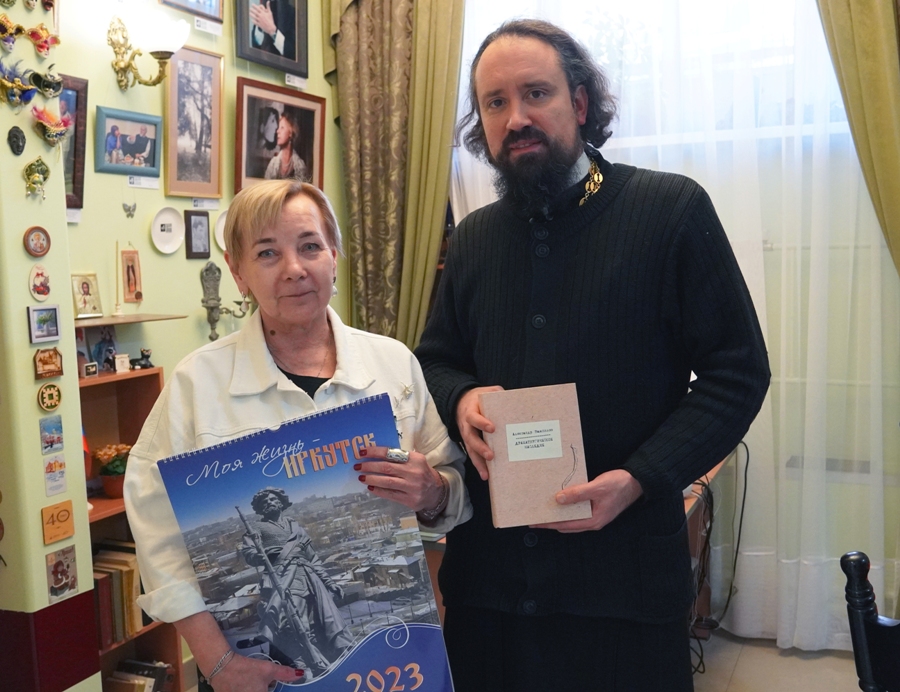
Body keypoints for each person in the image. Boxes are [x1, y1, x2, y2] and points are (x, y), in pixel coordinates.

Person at [414, 19, 770, 692]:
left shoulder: (671, 212)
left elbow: (738, 373)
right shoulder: (474, 240)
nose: (516, 118)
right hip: (489, 596)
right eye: (495, 102)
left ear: (579, 103)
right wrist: (461, 398)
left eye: (535, 93)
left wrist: (637, 478)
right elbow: (433, 363)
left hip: (624, 594)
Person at [125, 179, 471, 692]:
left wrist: (433, 490)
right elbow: (158, 537)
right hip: (253, 671)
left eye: (310, 246)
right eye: (267, 253)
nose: (293, 268)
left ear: (334, 256)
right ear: (238, 273)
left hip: (389, 668)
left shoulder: (393, 363)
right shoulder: (196, 384)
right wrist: (218, 663)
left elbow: (454, 492)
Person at [241, 487, 353, 676]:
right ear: (259, 509)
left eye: (272, 499)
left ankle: (331, 655)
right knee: (293, 622)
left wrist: (329, 582)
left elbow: (313, 558)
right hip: (283, 577)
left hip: (310, 577)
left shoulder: (296, 527)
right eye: (264, 502)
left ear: (281, 502)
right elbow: (249, 553)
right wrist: (262, 554)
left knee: (323, 619)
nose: (268, 502)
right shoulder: (256, 529)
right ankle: (304, 664)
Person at [264, 112, 307, 181]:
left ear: (290, 133)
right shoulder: (273, 164)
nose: (277, 131)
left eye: (282, 128)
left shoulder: (300, 166)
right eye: (278, 128)